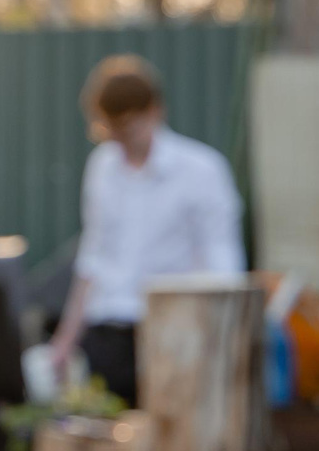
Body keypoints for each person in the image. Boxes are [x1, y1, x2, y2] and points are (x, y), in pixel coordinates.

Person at [47, 54, 246, 406]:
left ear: (155, 111)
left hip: (174, 334)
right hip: (107, 336)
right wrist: (65, 341)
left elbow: (223, 265)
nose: (121, 139)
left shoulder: (202, 170)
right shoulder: (102, 167)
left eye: (129, 127)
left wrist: (220, 343)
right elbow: (93, 258)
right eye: (112, 129)